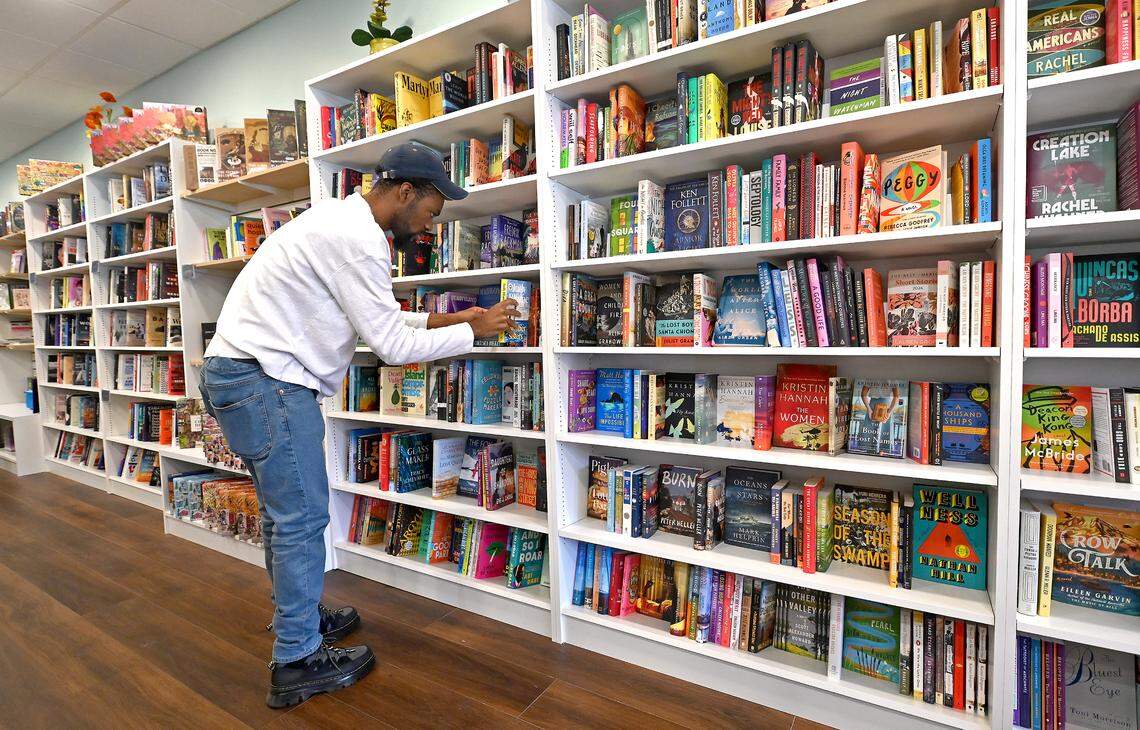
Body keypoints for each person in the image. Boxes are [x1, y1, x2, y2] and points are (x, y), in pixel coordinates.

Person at [198, 142, 519, 708]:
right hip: (268, 382)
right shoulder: (358, 241)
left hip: (240, 375)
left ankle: (296, 613)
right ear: (404, 192)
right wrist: (476, 333)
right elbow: (392, 345)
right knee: (301, 520)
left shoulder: (341, 221)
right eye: (430, 211)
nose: (429, 227)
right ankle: (297, 659)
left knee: (283, 516)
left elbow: (378, 315)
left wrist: (454, 316)